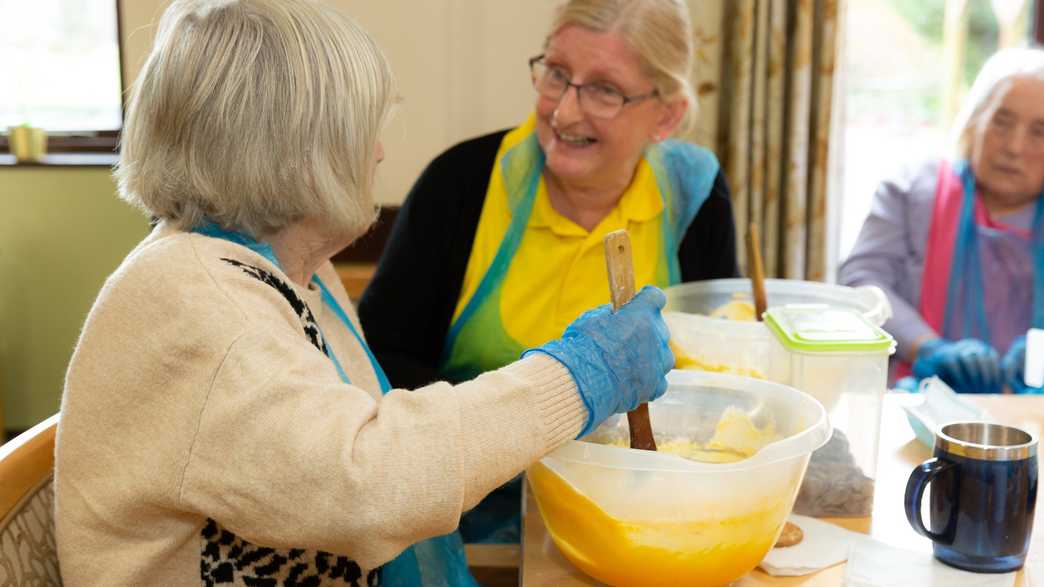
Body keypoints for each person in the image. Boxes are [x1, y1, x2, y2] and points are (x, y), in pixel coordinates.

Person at [53, 1, 675, 585]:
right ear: (294, 154)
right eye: (360, 133)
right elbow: (371, 481)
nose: (377, 153)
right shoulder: (198, 305)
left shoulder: (283, 268)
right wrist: (580, 375)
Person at [358, 0, 737, 545]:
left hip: (642, 520)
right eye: (557, 75)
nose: (564, 113)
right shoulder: (461, 184)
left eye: (605, 90)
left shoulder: (694, 197)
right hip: (466, 523)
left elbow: (717, 379)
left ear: (667, 115)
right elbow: (379, 367)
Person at [839, 47, 1044, 394]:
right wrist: (928, 347)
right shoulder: (910, 190)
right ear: (974, 121)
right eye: (1001, 122)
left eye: (1039, 132)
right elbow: (861, 280)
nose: (1014, 146)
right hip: (913, 400)